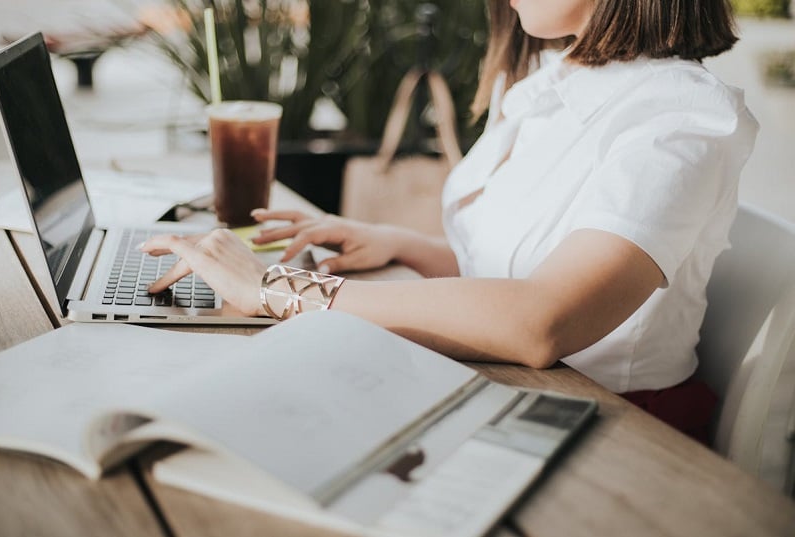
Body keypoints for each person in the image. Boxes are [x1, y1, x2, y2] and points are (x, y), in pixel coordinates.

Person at [141, 0, 758, 443]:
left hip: (607, 431)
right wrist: (399, 243)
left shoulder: (681, 116)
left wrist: (276, 289)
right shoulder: (547, 81)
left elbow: (541, 322)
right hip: (498, 385)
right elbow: (509, 272)